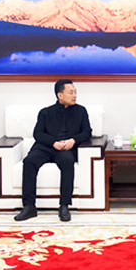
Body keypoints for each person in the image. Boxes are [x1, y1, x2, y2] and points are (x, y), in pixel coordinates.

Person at [14, 79, 91, 223]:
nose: (74, 95)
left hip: (66, 148)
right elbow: (38, 133)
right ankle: (29, 206)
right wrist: (53, 143)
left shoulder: (81, 111)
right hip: (45, 147)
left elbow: (87, 132)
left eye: (75, 92)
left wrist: (73, 140)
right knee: (29, 161)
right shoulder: (46, 112)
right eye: (71, 92)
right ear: (60, 95)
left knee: (68, 161)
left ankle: (64, 206)